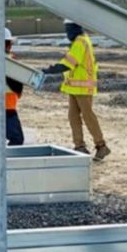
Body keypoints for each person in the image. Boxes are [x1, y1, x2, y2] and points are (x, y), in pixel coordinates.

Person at [42, 20, 109, 161]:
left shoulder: (81, 42)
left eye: (68, 30)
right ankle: (79, 146)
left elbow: (69, 63)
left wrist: (51, 70)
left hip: (83, 87)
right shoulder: (79, 42)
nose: (67, 33)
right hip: (75, 87)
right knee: (73, 116)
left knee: (88, 116)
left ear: (74, 28)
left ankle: (101, 145)